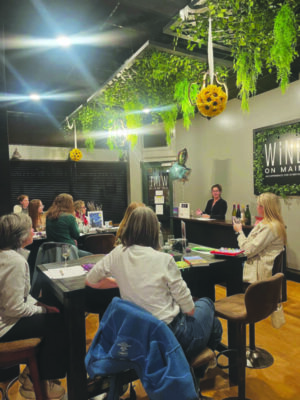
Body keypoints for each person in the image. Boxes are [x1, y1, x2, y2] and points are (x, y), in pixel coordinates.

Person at [86, 207, 222, 371]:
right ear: (154, 231)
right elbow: (190, 310)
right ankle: (189, 371)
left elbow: (91, 280)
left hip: (138, 338)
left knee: (206, 316)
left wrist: (120, 281)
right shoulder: (164, 260)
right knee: (211, 313)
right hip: (170, 336)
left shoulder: (117, 254)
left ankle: (182, 368)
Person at [0, 213, 66, 399]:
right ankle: (42, 380)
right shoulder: (15, 262)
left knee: (53, 307)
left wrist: (41, 304)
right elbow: (15, 309)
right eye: (30, 228)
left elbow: (20, 295)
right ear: (20, 236)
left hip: (6, 318)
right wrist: (44, 310)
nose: (33, 231)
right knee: (57, 321)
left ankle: (33, 372)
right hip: (4, 327)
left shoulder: (9, 257)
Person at [233, 192, 287, 283]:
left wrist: (239, 232)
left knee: (231, 268)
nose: (257, 207)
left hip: (259, 268)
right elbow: (249, 246)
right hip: (258, 263)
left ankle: (238, 296)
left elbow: (246, 251)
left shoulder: (270, 227)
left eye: (260, 206)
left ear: (268, 208)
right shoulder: (269, 224)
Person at [46, 193, 90, 257]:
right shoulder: (69, 217)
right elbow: (76, 235)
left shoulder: (49, 216)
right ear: (69, 204)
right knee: (90, 255)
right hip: (68, 250)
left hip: (53, 252)